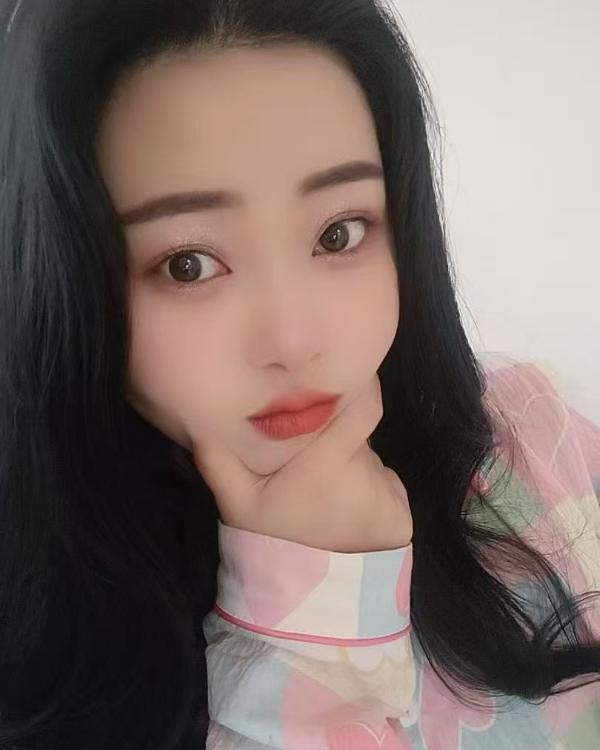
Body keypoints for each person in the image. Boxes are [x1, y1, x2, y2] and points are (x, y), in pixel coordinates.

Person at [0, 0, 598, 748]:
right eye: (188, 265)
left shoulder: (532, 441)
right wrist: (312, 608)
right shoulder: (31, 630)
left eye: (338, 234)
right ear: (58, 277)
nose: (294, 340)